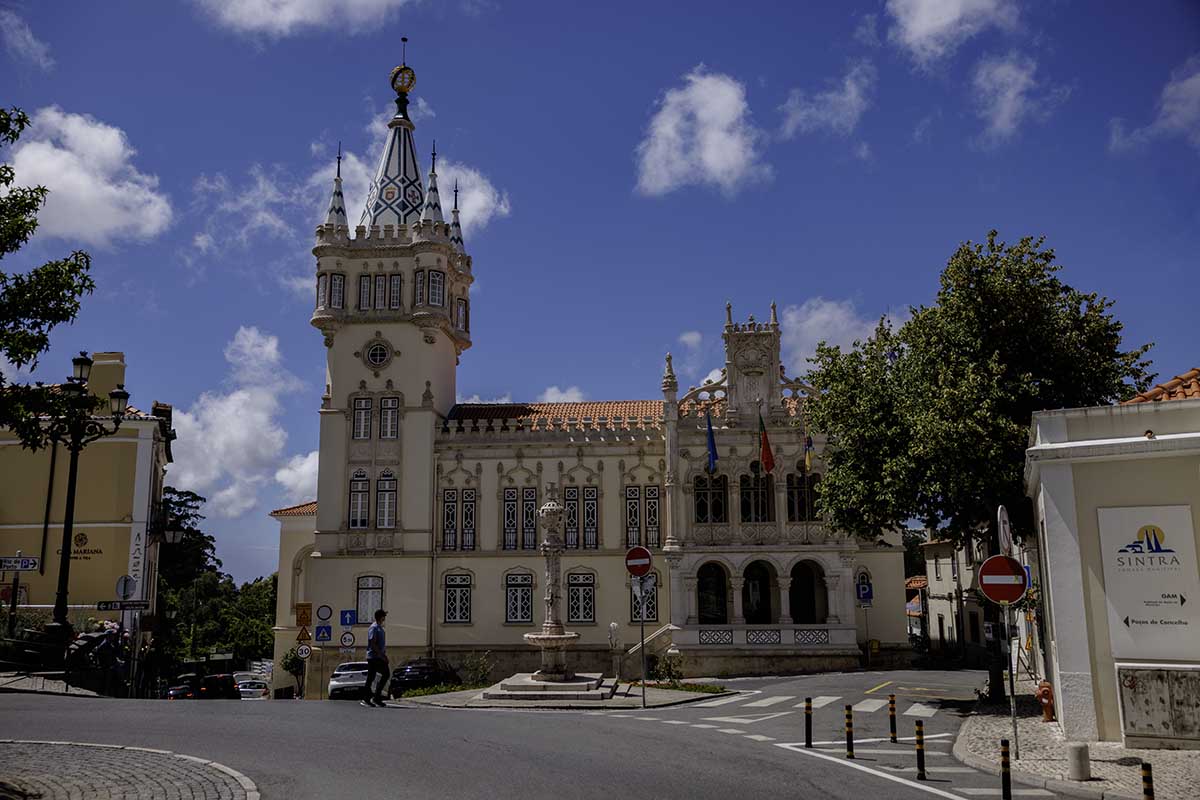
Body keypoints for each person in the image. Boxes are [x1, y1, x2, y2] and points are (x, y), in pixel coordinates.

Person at [361, 609, 389, 707]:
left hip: (377, 656)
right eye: (384, 616)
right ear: (380, 617)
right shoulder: (374, 628)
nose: (385, 618)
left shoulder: (379, 627)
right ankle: (371, 698)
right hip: (374, 656)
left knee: (372, 676)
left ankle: (373, 697)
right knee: (384, 674)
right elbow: (372, 643)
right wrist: (382, 655)